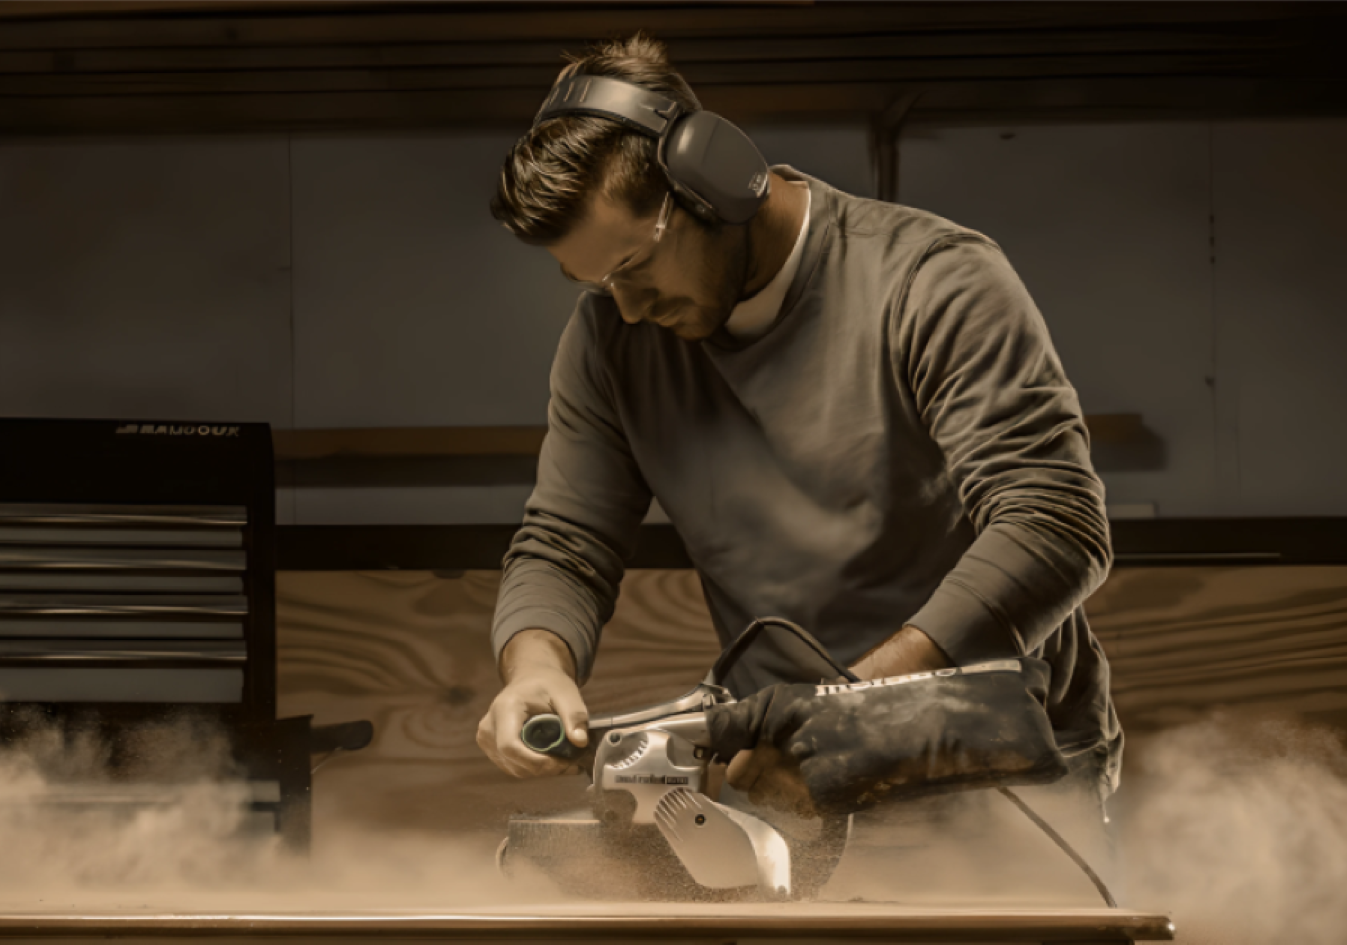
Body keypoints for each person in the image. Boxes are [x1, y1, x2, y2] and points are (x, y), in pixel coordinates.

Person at [474, 32, 1121, 815]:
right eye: (595, 282)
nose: (630, 309)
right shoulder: (610, 340)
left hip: (996, 767)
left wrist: (851, 716)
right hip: (787, 768)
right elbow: (564, 545)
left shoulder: (932, 281)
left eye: (634, 269)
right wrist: (537, 663)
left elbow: (1052, 524)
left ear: (714, 185)